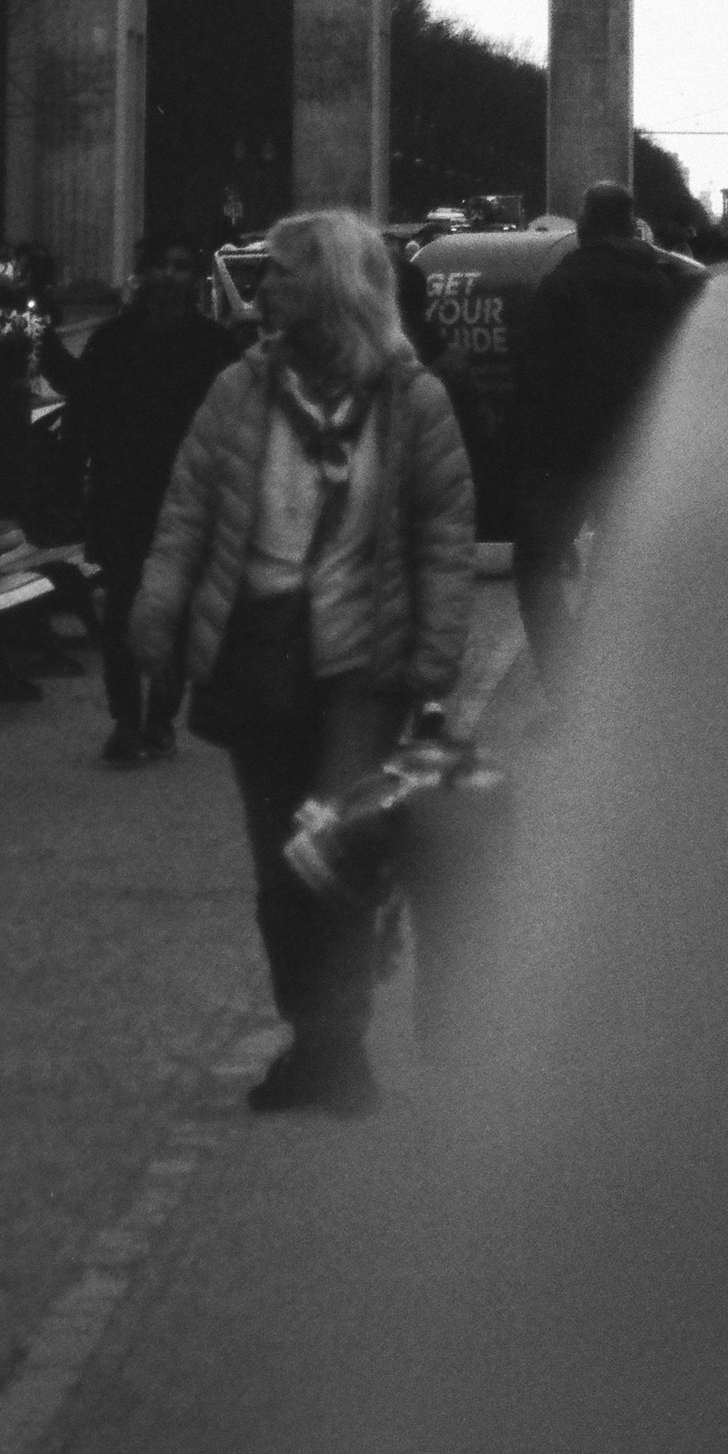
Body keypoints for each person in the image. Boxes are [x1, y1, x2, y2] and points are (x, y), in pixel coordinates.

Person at [131, 209, 476, 1114]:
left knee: (329, 843)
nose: (264, 284)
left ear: (327, 284)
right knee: (283, 867)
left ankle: (338, 1040)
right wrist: (158, 615)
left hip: (363, 661)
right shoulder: (235, 394)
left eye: (281, 271)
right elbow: (187, 513)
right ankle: (315, 1033)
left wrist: (435, 656)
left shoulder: (414, 402)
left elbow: (444, 536)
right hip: (258, 652)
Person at [511, 181, 709, 681]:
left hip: (572, 454)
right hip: (643, 450)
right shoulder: (668, 286)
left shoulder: (562, 285)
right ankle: (623, 688)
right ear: (629, 223)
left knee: (535, 568)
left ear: (585, 223)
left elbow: (537, 378)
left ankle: (567, 684)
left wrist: (531, 458)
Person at [62, 251, 238, 765]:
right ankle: (125, 717)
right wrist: (74, 483)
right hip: (123, 492)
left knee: (177, 609)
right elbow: (82, 416)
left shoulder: (213, 344)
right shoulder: (111, 341)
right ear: (142, 275)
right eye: (160, 264)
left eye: (180, 265)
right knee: (121, 607)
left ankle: (160, 715)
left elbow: (235, 424)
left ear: (193, 278)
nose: (168, 274)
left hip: (190, 495)